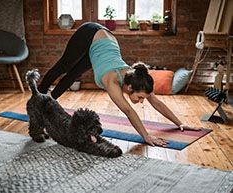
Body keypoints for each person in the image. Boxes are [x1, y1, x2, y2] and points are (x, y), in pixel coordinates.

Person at [38, 22, 201, 147]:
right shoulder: (112, 81)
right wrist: (146, 136)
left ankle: (49, 99)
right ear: (130, 88)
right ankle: (38, 96)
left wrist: (180, 123)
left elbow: (156, 102)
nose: (142, 101)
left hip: (104, 42)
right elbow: (129, 111)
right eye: (140, 98)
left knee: (73, 74)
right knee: (64, 67)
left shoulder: (138, 79)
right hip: (90, 33)